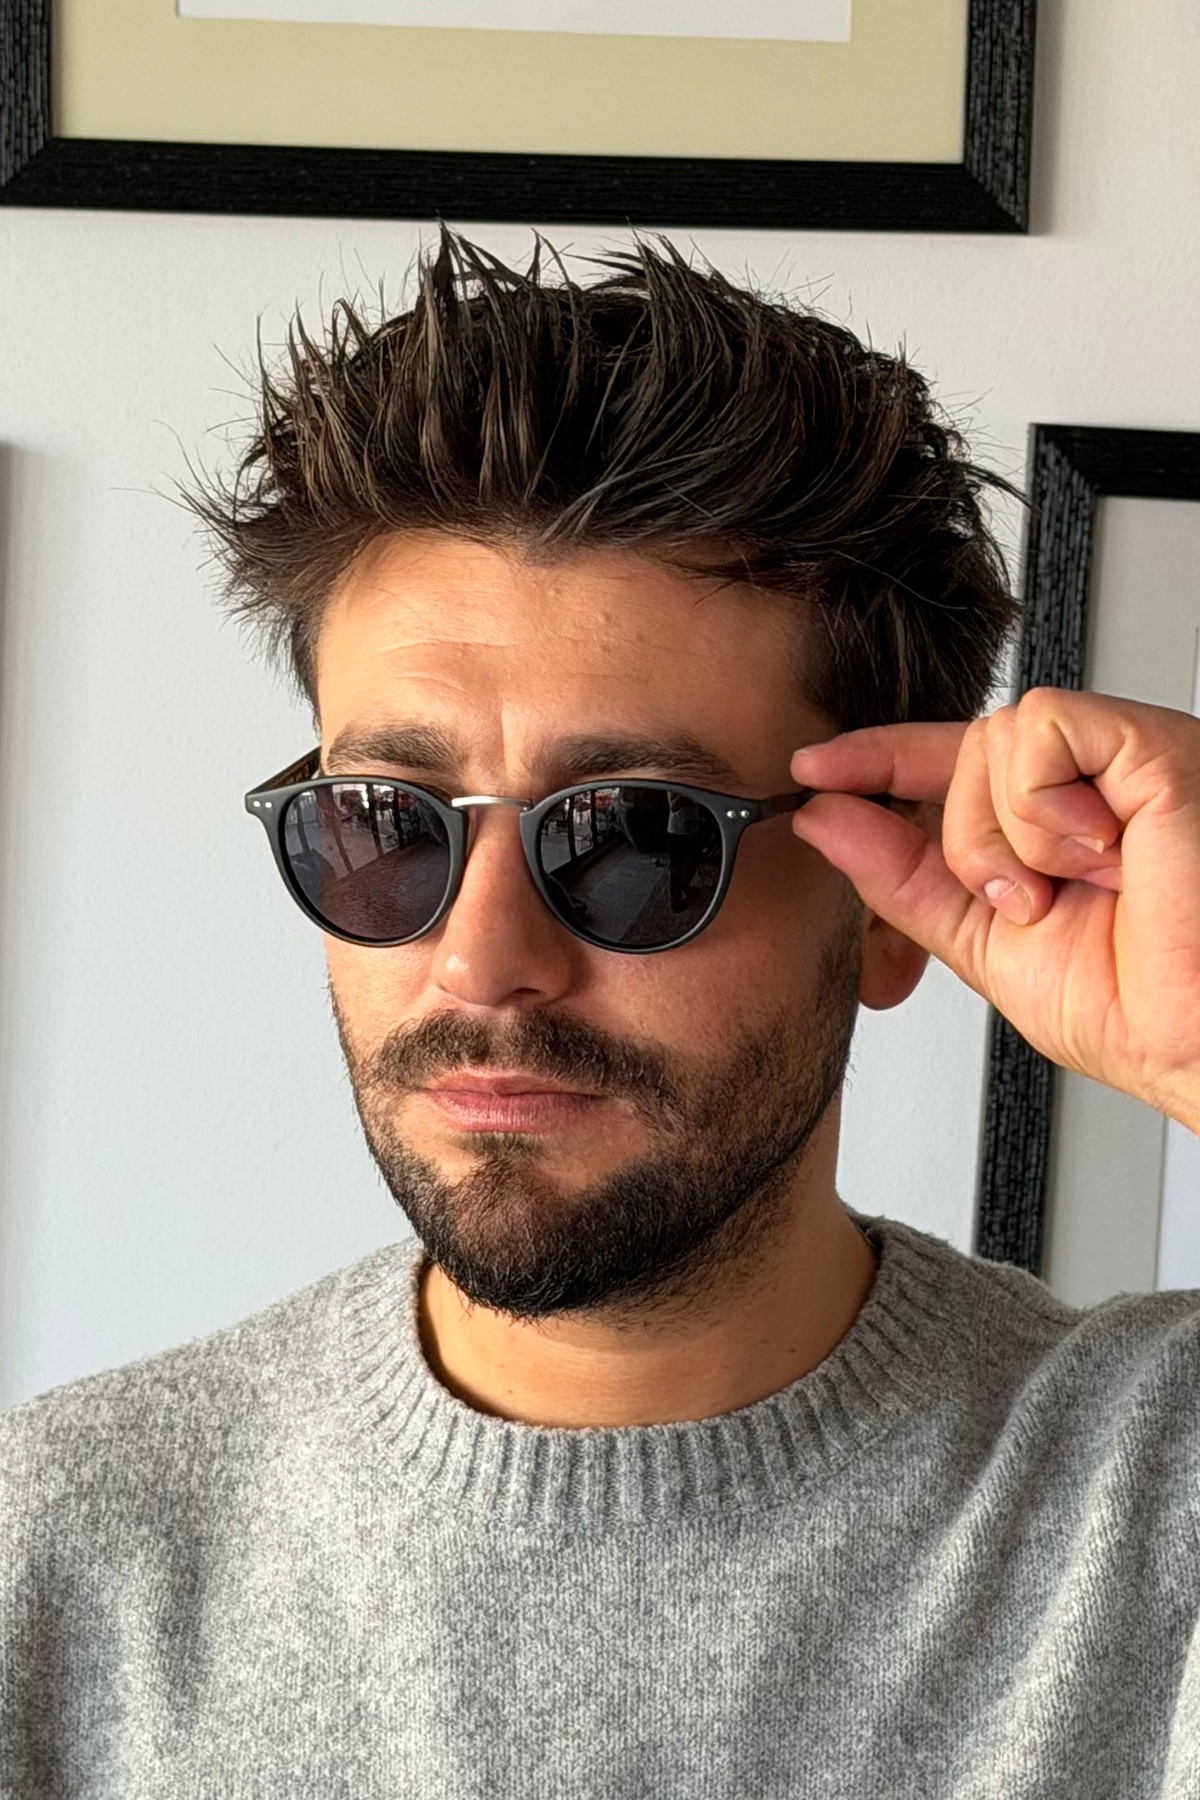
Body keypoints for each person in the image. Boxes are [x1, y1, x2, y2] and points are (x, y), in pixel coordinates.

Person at [3, 226, 1199, 1798]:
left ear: (885, 905)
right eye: (388, 823)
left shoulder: (1157, 1507)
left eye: (634, 836)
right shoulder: (64, 1553)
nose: (477, 959)